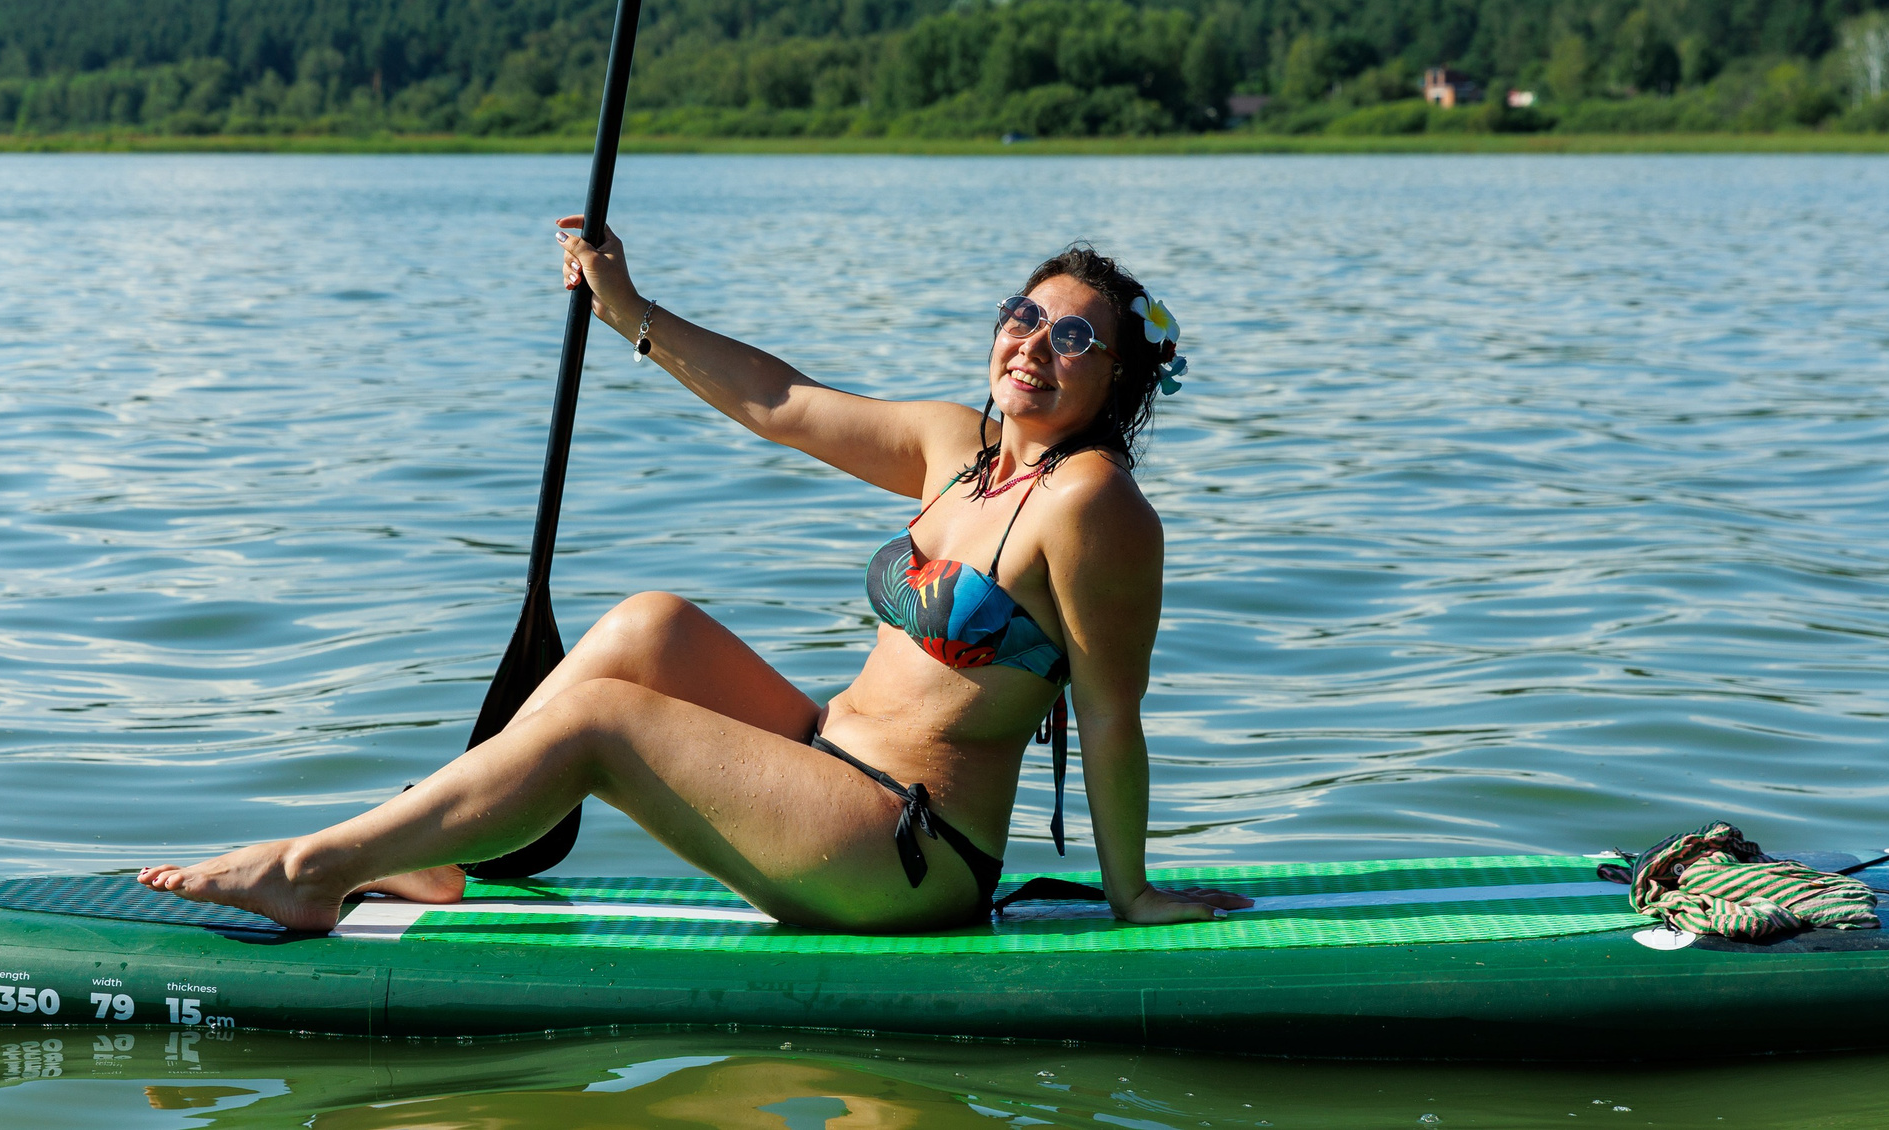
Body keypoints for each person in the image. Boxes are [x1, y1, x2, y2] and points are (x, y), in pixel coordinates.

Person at [139, 222, 1244, 934]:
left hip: (910, 850)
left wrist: (1132, 892)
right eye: (1024, 314)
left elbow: (1111, 715)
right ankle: (426, 850)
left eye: (1073, 337)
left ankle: (314, 867)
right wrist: (630, 310)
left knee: (603, 724)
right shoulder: (956, 445)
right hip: (826, 758)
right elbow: (781, 401)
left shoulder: (1091, 506)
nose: (1034, 344)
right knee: (648, 626)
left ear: (1117, 381)